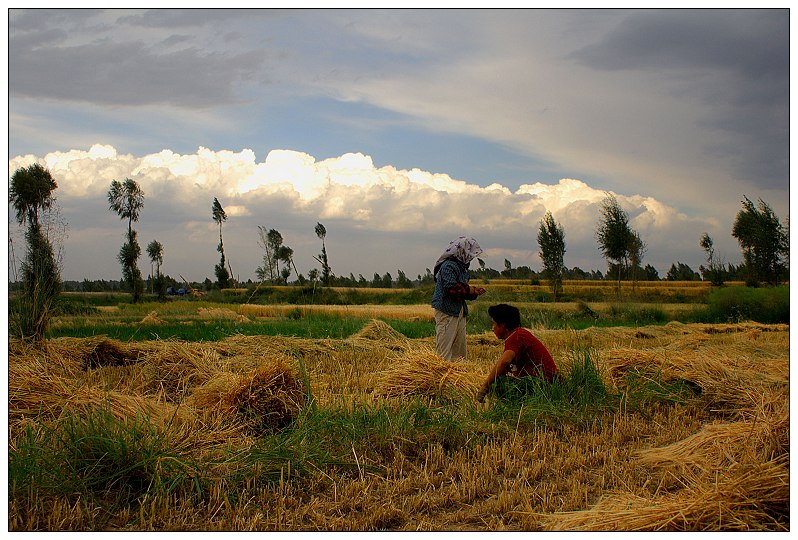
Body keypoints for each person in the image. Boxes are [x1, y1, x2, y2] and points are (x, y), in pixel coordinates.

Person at [477, 303, 559, 402]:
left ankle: (523, 406)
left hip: (543, 385)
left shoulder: (516, 337)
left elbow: (504, 362)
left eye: (494, 323)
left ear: (502, 325)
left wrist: (485, 387)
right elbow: (505, 368)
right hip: (545, 384)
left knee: (496, 383)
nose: (492, 328)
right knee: (497, 378)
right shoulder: (518, 335)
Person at [431, 236, 486, 360]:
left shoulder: (463, 269)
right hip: (446, 310)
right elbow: (452, 288)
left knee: (459, 352)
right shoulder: (448, 267)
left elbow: (462, 291)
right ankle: (442, 377)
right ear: (462, 252)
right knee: (444, 353)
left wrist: (474, 292)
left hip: (458, 310)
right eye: (470, 254)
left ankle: (458, 376)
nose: (471, 258)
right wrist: (470, 289)